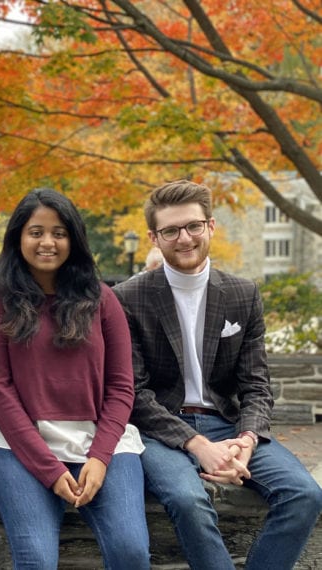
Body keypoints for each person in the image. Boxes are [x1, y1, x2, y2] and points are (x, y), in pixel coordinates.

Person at [113, 180, 322, 569]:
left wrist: (247, 437)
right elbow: (134, 393)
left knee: (304, 494)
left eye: (193, 226)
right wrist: (197, 445)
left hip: (227, 424)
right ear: (154, 237)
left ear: (210, 226)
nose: (184, 238)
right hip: (161, 429)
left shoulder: (243, 294)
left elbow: (256, 385)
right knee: (188, 501)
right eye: (171, 230)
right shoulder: (129, 297)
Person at [0, 188, 150, 570]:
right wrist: (50, 471)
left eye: (59, 232)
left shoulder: (103, 300)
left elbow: (121, 387)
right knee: (36, 558)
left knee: (130, 551)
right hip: (15, 445)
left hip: (101, 442)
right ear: (18, 237)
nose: (47, 242)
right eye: (36, 232)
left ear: (74, 239)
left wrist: (100, 458)